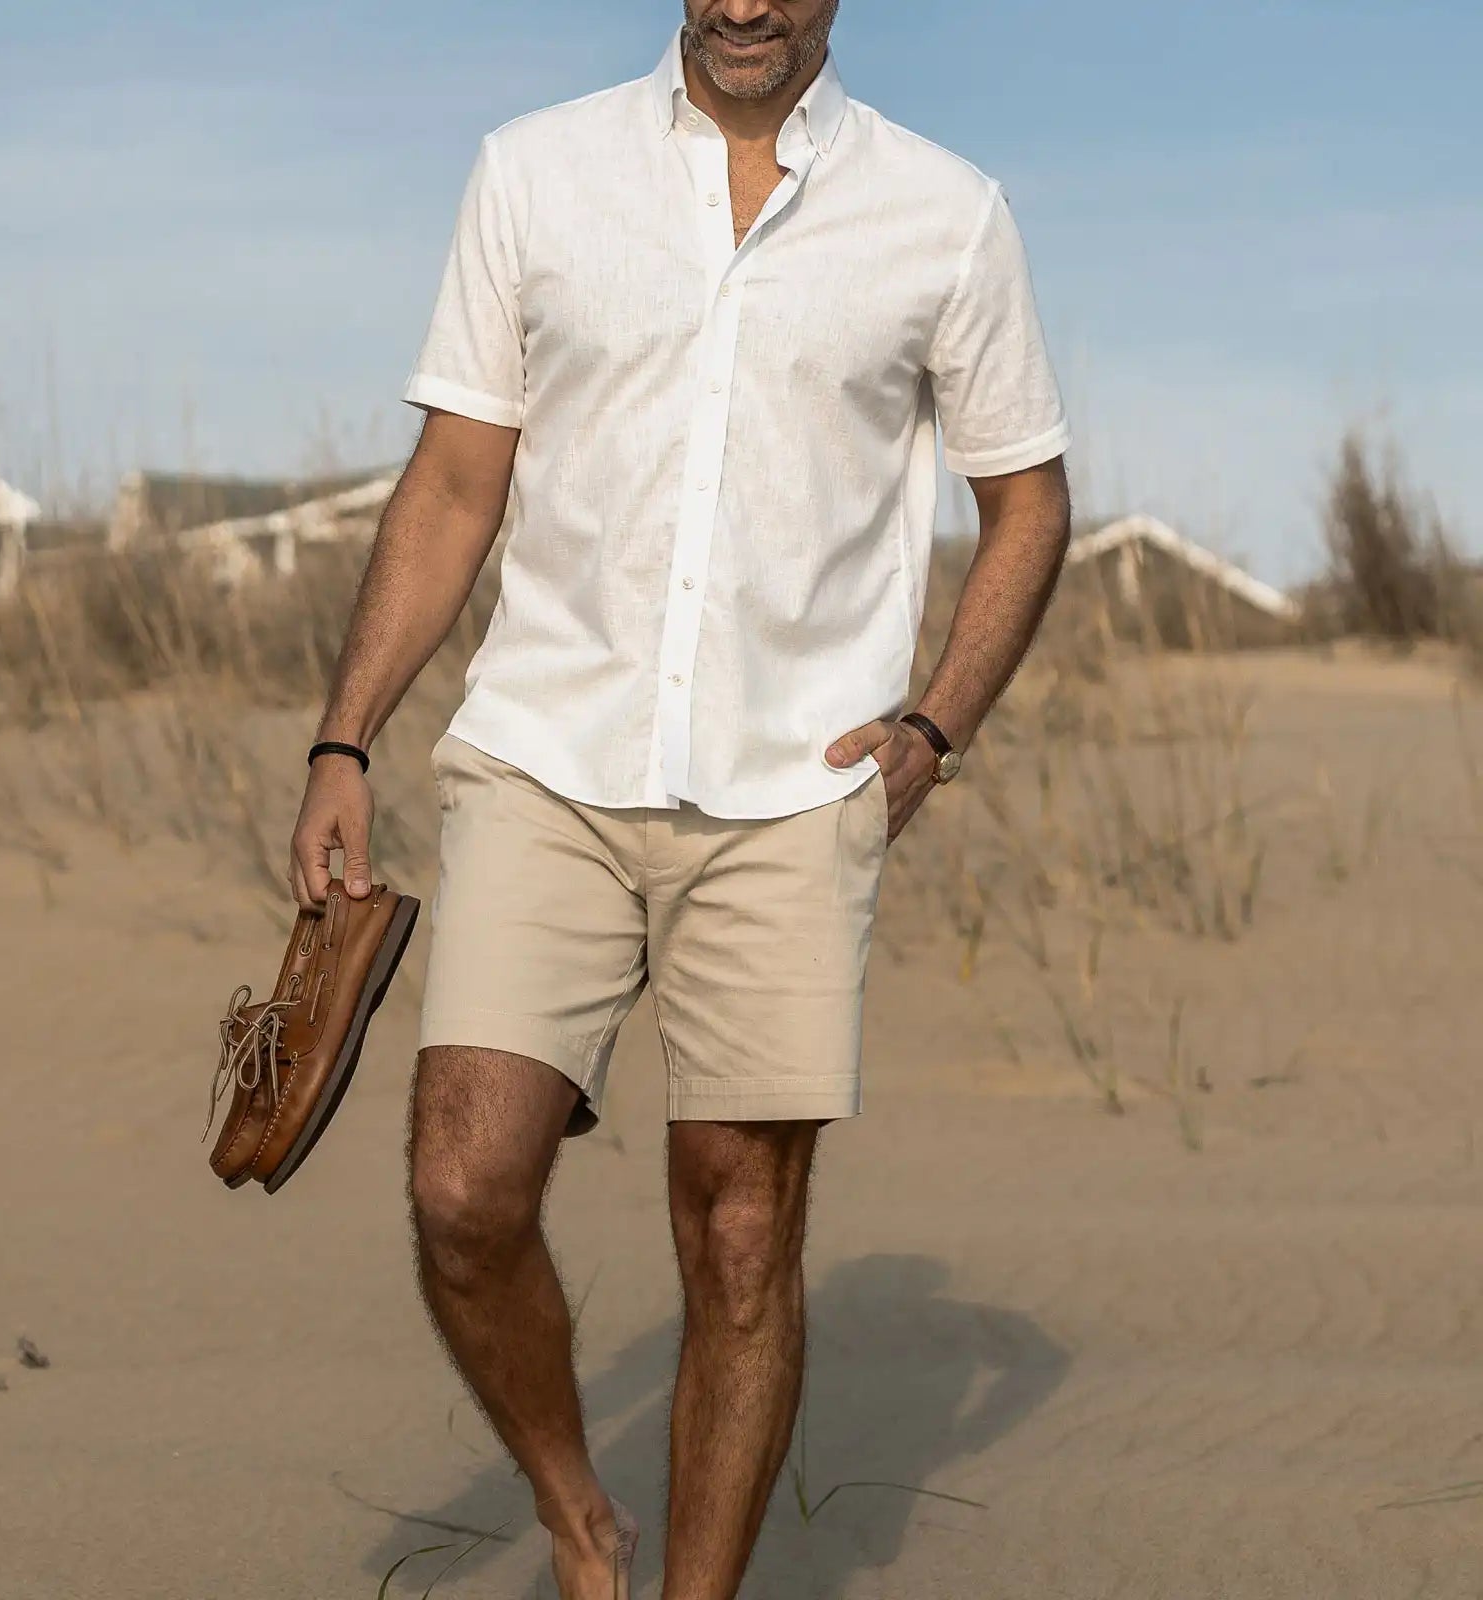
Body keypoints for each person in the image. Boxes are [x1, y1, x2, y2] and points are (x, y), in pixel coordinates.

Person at [288, 3, 1071, 1595]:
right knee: (463, 1185)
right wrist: (344, 735)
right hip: (545, 756)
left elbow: (1028, 502)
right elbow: (454, 483)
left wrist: (937, 724)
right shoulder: (535, 172)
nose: (743, 6)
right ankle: (581, 1513)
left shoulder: (947, 212)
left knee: (735, 1237)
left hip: (795, 791)